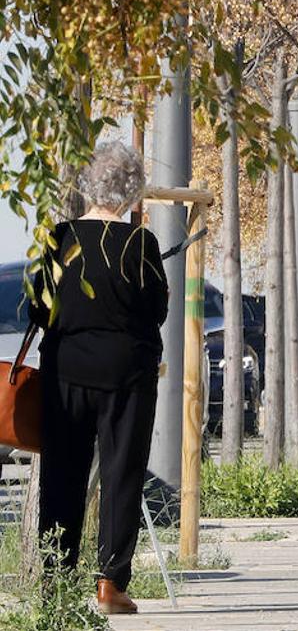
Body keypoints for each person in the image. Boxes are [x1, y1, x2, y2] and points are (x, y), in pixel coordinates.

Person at [31, 142, 169, 615]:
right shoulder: (140, 243)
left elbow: (37, 307)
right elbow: (159, 310)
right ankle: (110, 583)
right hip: (127, 373)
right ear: (132, 191)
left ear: (88, 185)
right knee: (121, 474)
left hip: (65, 371)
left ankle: (56, 580)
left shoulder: (58, 238)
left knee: (62, 474)